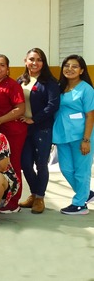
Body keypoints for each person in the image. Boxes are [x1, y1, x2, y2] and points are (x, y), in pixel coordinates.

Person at [17, 48, 60, 214]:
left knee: (41, 164)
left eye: (39, 60)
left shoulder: (49, 82)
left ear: (43, 63)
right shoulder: (21, 80)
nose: (35, 63)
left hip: (42, 128)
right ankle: (34, 194)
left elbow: (53, 105)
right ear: (25, 61)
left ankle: (39, 197)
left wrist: (34, 119)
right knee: (25, 163)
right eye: (31, 59)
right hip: (23, 128)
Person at [53, 55, 94, 215]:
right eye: (67, 65)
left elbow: (91, 115)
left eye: (75, 66)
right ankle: (86, 194)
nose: (69, 69)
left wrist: (86, 140)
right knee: (66, 169)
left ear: (82, 70)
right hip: (62, 134)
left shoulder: (86, 89)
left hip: (81, 136)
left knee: (81, 171)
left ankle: (80, 204)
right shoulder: (60, 87)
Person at [0, 54, 27, 213]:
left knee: (13, 165)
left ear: (8, 70)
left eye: (2, 65)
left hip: (13, 132)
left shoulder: (12, 86)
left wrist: (0, 120)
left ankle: (14, 202)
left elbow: (20, 109)